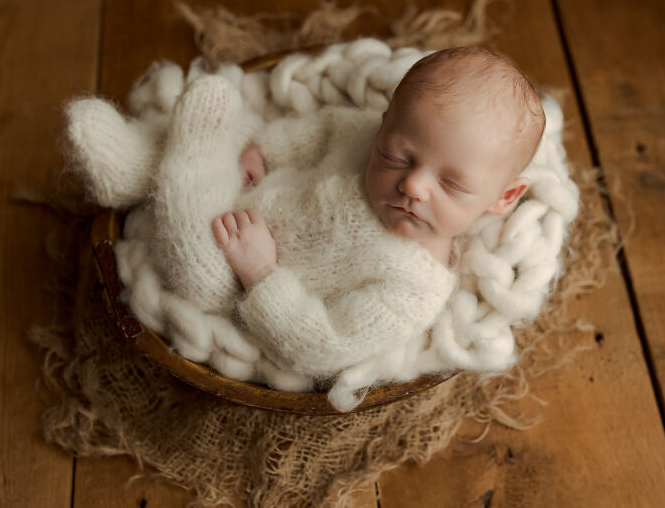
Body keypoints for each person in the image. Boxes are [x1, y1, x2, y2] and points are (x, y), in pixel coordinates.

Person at [162, 47, 546, 379]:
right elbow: (323, 130)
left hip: (234, 273)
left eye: (452, 185)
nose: (413, 185)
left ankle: (189, 154)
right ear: (384, 130)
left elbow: (323, 344)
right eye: (395, 157)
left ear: (504, 197)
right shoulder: (366, 136)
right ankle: (186, 151)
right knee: (241, 136)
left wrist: (260, 273)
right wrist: (265, 151)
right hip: (249, 187)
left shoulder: (413, 290)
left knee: (198, 274)